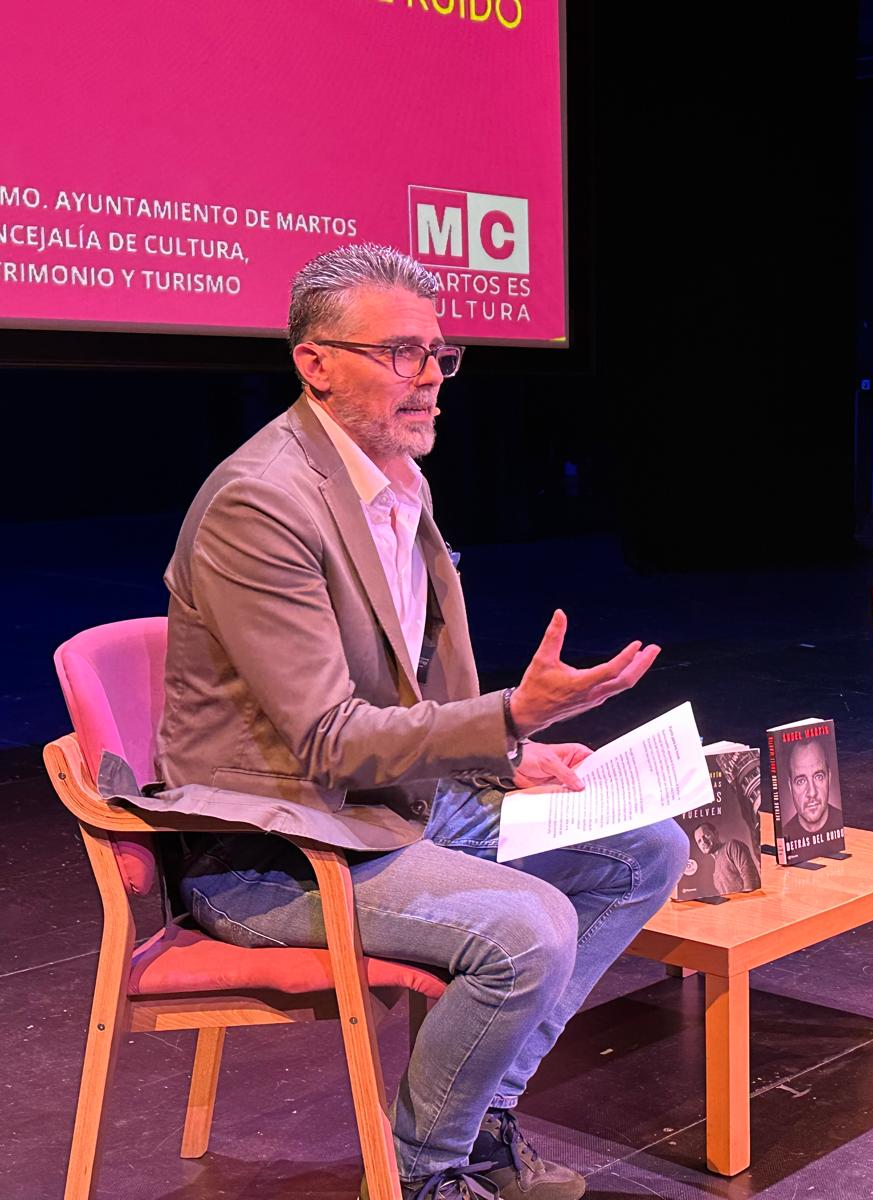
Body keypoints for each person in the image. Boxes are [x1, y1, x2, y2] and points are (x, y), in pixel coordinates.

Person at [151, 244, 688, 1200]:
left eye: (439, 354)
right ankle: (420, 1175)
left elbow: (406, 690)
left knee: (645, 850)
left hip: (391, 807)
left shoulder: (395, 478)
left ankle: (477, 1120)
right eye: (401, 353)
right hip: (277, 849)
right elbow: (327, 737)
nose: (431, 376)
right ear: (315, 362)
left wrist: (508, 753)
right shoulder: (260, 504)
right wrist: (505, 715)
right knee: (528, 928)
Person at [779, 738, 841, 844]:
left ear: (829, 778)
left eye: (819, 777)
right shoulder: (784, 839)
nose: (812, 793)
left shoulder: (847, 828)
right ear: (790, 786)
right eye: (801, 781)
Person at [692, 820, 762, 893]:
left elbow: (750, 877)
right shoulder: (715, 873)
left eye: (706, 835)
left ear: (716, 833)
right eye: (699, 841)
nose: (703, 841)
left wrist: (747, 898)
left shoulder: (731, 846)